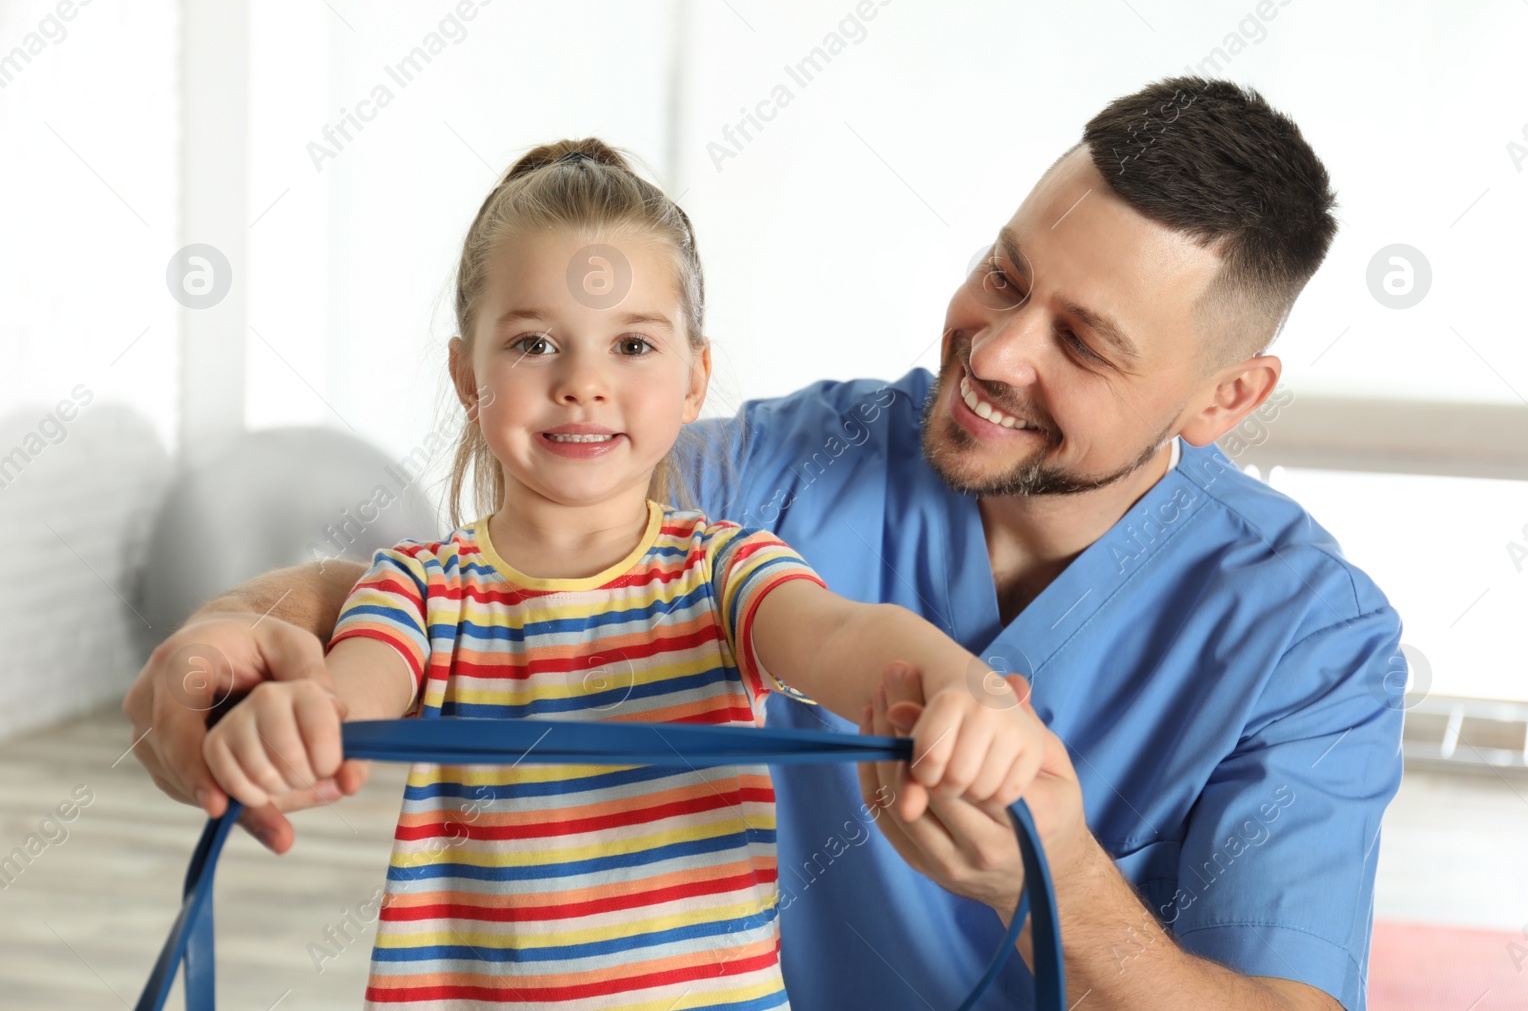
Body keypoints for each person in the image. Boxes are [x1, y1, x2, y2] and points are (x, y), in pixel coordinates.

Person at [126, 76, 1403, 1011]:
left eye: (1083, 340)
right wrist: (238, 629)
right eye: (1003, 277)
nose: (996, 352)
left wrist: (1053, 879)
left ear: (1225, 397)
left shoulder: (1312, 639)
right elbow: (517, 574)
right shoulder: (789, 468)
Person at [195, 138, 1044, 1009]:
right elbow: (350, 689)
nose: (583, 383)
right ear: (466, 374)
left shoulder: (725, 571)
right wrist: (298, 722)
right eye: (533, 341)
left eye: (633, 345)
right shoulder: (417, 588)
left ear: (693, 378)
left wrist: (961, 687)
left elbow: (845, 635)